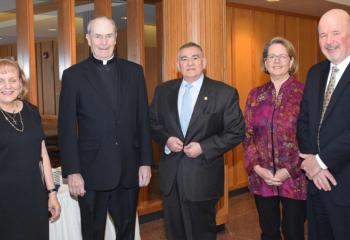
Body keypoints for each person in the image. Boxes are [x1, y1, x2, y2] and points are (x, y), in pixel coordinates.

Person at [58, 16, 153, 240]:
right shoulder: (73, 76)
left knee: (127, 231)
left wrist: (146, 161)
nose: (103, 42)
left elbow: (142, 120)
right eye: (98, 36)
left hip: (128, 168)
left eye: (108, 35)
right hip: (91, 173)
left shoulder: (135, 72)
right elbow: (67, 128)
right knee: (92, 233)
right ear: (88, 39)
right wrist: (72, 171)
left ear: (116, 38)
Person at [150, 42, 245, 240]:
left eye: (195, 58)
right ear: (177, 65)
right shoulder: (163, 91)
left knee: (201, 234)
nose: (190, 63)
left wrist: (204, 147)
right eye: (184, 59)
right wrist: (166, 140)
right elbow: (152, 124)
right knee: (175, 233)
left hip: (203, 178)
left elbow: (236, 131)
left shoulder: (224, 93)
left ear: (204, 62)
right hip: (171, 179)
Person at [243, 37, 306, 240]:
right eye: (271, 57)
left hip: (295, 176)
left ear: (291, 61)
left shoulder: (303, 93)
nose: (276, 61)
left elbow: (311, 136)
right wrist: (257, 167)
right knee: (268, 231)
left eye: (282, 56)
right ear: (265, 62)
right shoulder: (255, 95)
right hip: (262, 177)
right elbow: (247, 134)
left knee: (293, 231)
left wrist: (289, 170)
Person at [298, 9, 350, 240]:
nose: (328, 41)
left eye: (336, 33)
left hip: (345, 184)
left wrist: (320, 162)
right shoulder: (315, 72)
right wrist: (312, 164)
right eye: (322, 35)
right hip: (316, 185)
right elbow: (304, 121)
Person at [0, 58, 60, 239]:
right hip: (4, 201)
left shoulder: (32, 111)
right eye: (1, 81)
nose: (7, 86)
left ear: (20, 83)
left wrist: (51, 193)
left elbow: (43, 155)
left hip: (34, 197)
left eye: (12, 80)